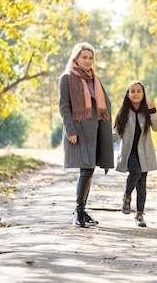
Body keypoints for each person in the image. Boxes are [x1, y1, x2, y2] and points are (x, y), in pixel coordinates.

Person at [58, 42, 114, 228]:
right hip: (79, 131)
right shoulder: (66, 78)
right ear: (76, 58)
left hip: (96, 131)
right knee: (87, 169)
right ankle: (79, 212)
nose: (88, 61)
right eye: (84, 57)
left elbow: (104, 104)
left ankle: (81, 210)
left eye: (90, 58)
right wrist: (71, 131)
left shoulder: (95, 80)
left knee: (89, 169)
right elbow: (64, 107)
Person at [112, 80, 157, 227]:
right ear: (128, 94)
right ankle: (127, 196)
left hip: (144, 153)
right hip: (129, 153)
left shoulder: (147, 111)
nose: (135, 94)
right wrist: (102, 138)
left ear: (143, 93)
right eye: (132, 91)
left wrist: (153, 112)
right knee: (135, 172)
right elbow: (117, 133)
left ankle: (140, 215)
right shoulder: (123, 112)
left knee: (142, 184)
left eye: (138, 91)